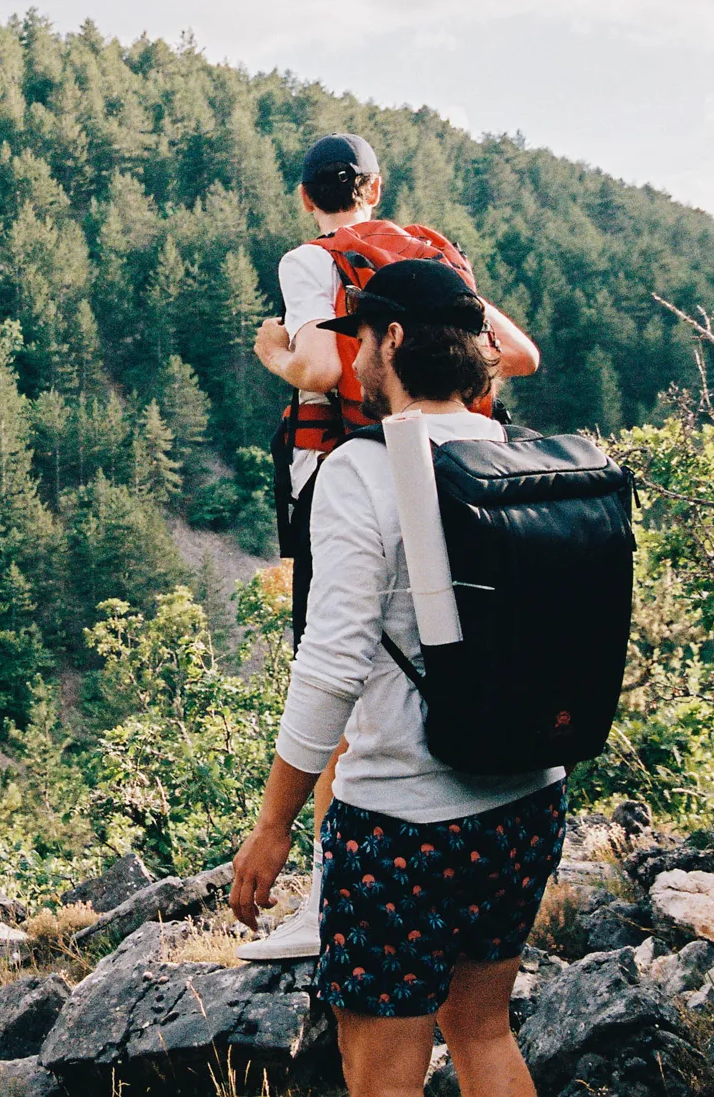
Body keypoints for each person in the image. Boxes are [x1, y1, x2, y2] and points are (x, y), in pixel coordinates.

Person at [230, 260, 568, 1097]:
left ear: (395, 339)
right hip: (527, 801)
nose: (354, 364)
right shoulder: (515, 456)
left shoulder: (360, 470)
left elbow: (331, 664)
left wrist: (273, 826)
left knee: (382, 1077)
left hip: (404, 827)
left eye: (362, 342)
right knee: (483, 1029)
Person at [240, 133, 538, 962]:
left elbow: (315, 371)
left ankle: (324, 896)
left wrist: (275, 355)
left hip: (353, 476)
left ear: (307, 197)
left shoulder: (311, 261)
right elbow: (519, 356)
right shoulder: (434, 254)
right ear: (377, 187)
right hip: (464, 467)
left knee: (348, 670)